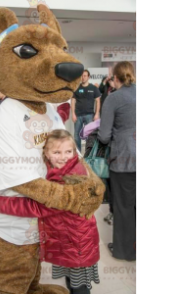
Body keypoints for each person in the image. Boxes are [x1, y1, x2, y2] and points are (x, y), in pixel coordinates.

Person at [0, 130, 100, 294]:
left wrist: (2, 202)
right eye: (57, 152)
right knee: (73, 280)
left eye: (68, 152)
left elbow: (38, 207)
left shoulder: (69, 179)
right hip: (71, 239)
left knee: (79, 286)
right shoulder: (62, 169)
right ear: (46, 153)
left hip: (76, 242)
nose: (63, 157)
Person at [98, 61, 137, 261]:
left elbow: (103, 136)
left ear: (116, 77)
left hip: (124, 159)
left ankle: (126, 251)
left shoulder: (114, 99)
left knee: (123, 207)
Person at [71, 70, 101, 152]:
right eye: (81, 76)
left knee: (90, 136)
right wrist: (73, 113)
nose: (83, 77)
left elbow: (98, 101)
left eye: (85, 76)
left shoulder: (93, 88)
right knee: (76, 136)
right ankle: (78, 155)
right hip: (78, 115)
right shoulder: (76, 88)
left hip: (90, 115)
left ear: (88, 77)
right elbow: (73, 101)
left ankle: (89, 154)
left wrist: (97, 113)